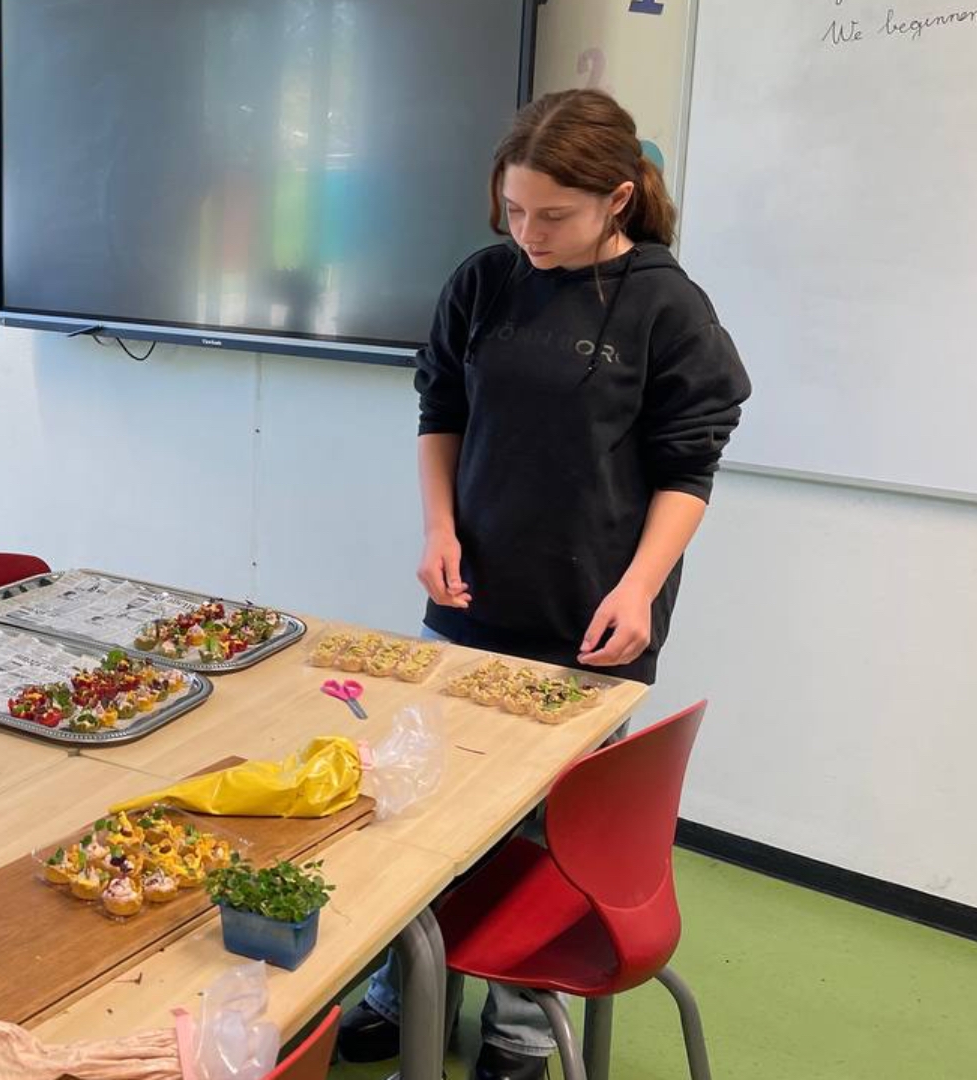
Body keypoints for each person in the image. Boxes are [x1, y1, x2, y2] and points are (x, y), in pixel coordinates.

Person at [336, 90, 751, 1080]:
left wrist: (641, 586)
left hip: (590, 625)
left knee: (539, 836)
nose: (528, 235)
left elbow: (688, 471)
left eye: (552, 216)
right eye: (512, 213)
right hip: (469, 611)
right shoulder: (484, 283)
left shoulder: (667, 306)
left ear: (616, 200)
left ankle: (521, 1039)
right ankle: (409, 993)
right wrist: (438, 528)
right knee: (423, 812)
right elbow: (441, 412)